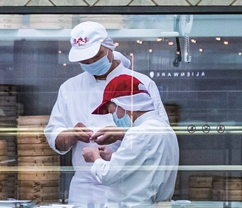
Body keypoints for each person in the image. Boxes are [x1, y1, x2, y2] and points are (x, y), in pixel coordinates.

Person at [44, 21, 166, 174]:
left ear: (109, 47)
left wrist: (123, 134)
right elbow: (54, 136)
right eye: (84, 61)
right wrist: (71, 135)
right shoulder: (69, 88)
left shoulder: (141, 83)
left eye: (96, 57)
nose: (91, 63)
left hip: (127, 178)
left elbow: (161, 135)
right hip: (84, 184)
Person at [76, 79, 178, 208]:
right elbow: (144, 168)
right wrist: (112, 157)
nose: (114, 118)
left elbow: (107, 175)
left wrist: (95, 158)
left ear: (123, 105)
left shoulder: (138, 133)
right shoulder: (165, 130)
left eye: (112, 112)